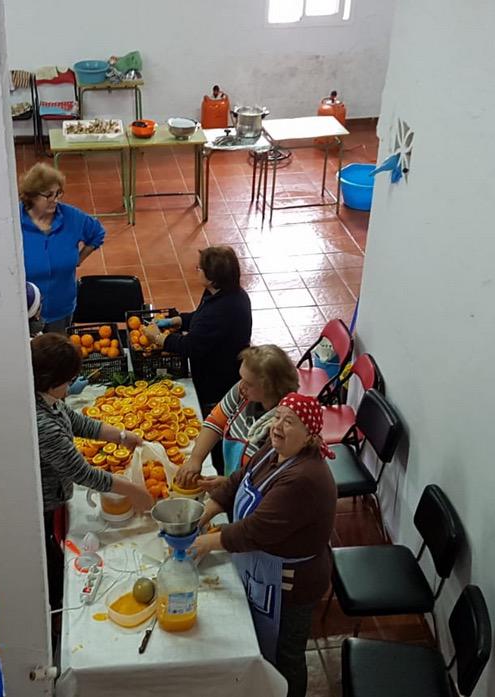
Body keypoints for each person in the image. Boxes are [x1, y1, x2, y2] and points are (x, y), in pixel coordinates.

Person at [191, 393, 337, 697]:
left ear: (310, 435)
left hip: (291, 585)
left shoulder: (304, 478)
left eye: (290, 422)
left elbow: (255, 530)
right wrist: (203, 514)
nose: (278, 426)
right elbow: (238, 481)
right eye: (278, 417)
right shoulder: (274, 449)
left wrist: (205, 542)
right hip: (263, 566)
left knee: (286, 656)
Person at [32, 333, 154, 614]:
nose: (70, 387)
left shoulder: (47, 399)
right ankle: (55, 607)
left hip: (55, 495)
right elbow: (83, 473)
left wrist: (121, 436)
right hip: (44, 500)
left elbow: (77, 422)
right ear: (52, 382)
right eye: (68, 382)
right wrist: (134, 491)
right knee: (49, 556)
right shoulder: (43, 425)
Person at [142, 246, 253, 460]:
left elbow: (190, 346)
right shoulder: (223, 293)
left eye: (199, 268)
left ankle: (216, 453)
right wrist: (176, 321)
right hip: (217, 365)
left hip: (218, 378)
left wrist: (159, 338)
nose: (196, 270)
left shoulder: (224, 309)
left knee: (212, 417)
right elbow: (200, 317)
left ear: (211, 278)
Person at [174, 345, 299, 489]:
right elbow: (216, 421)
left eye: (249, 383)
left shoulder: (281, 426)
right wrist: (195, 459)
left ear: (270, 388)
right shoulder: (244, 391)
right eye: (242, 378)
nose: (241, 385)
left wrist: (229, 484)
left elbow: (270, 481)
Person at [19, 163, 106, 334]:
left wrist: (79, 259)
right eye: (48, 195)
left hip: (61, 309)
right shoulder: (14, 222)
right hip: (25, 312)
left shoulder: (71, 217)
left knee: (58, 348)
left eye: (58, 193)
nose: (55, 199)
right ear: (32, 196)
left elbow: (97, 233)